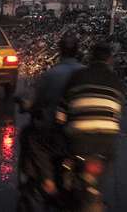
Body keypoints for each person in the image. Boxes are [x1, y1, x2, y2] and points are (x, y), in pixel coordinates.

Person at [41, 42, 125, 199]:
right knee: (107, 161)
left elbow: (62, 109)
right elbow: (117, 112)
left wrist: (59, 125)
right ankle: (96, 190)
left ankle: (62, 183)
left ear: (89, 59)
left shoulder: (78, 76)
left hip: (78, 138)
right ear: (110, 60)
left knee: (59, 151)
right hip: (106, 140)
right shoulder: (116, 81)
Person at [19, 32, 84, 210]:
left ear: (60, 52)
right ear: (78, 52)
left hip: (54, 133)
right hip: (83, 134)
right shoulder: (84, 73)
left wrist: (27, 106)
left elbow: (36, 102)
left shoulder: (51, 74)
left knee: (31, 138)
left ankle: (47, 182)